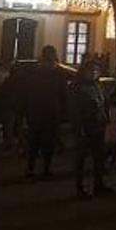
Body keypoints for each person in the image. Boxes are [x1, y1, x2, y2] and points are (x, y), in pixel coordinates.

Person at [23, 46, 68, 179]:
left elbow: (28, 92)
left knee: (34, 142)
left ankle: (31, 168)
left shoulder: (34, 71)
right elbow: (63, 93)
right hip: (51, 110)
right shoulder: (59, 72)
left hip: (37, 110)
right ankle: (45, 169)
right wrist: (64, 110)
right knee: (47, 142)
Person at [72, 58, 112, 198]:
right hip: (86, 126)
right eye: (91, 70)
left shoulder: (98, 86)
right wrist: (79, 128)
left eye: (96, 70)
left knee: (98, 157)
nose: (94, 73)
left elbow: (103, 103)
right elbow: (75, 110)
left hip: (98, 125)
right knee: (81, 158)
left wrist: (106, 117)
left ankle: (98, 184)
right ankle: (80, 187)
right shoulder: (78, 88)